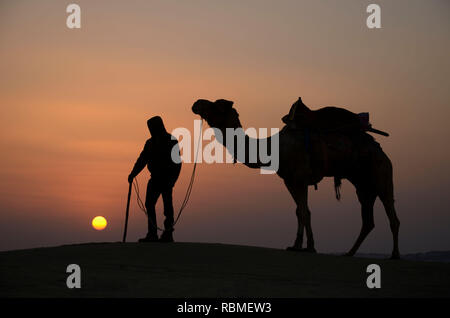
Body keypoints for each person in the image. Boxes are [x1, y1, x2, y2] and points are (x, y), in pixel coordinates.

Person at [128, 116, 181, 242]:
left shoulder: (171, 140)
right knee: (149, 204)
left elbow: (177, 163)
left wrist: (173, 180)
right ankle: (152, 234)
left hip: (166, 178)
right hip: (155, 178)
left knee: (167, 207)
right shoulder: (150, 143)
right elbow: (142, 160)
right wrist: (133, 174)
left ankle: (168, 234)